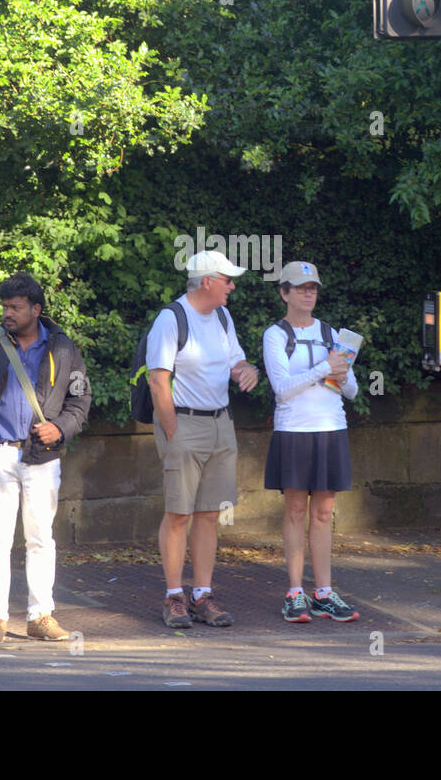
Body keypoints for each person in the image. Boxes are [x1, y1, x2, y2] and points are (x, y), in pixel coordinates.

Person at [0, 272, 91, 643]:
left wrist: (60, 427)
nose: (7, 313)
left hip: (43, 457)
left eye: (15, 307)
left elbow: (80, 400)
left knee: (41, 538)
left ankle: (40, 616)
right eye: (4, 306)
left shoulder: (63, 348)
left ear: (36, 308)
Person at [147, 250, 259, 628]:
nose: (232, 286)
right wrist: (173, 430)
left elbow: (236, 362)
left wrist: (247, 371)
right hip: (183, 424)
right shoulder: (171, 318)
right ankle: (173, 596)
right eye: (227, 279)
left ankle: (202, 595)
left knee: (210, 514)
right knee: (179, 513)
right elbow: (157, 379)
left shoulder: (223, 317)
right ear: (207, 281)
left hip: (221, 424)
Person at [261, 261, 360, 622]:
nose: (308, 293)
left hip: (331, 429)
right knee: (296, 511)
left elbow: (351, 390)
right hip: (294, 433)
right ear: (284, 292)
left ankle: (324, 592)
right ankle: (293, 593)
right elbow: (282, 390)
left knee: (322, 512)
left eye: (313, 287)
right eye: (301, 287)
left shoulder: (333, 333)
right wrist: (324, 368)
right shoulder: (275, 335)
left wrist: (343, 372)